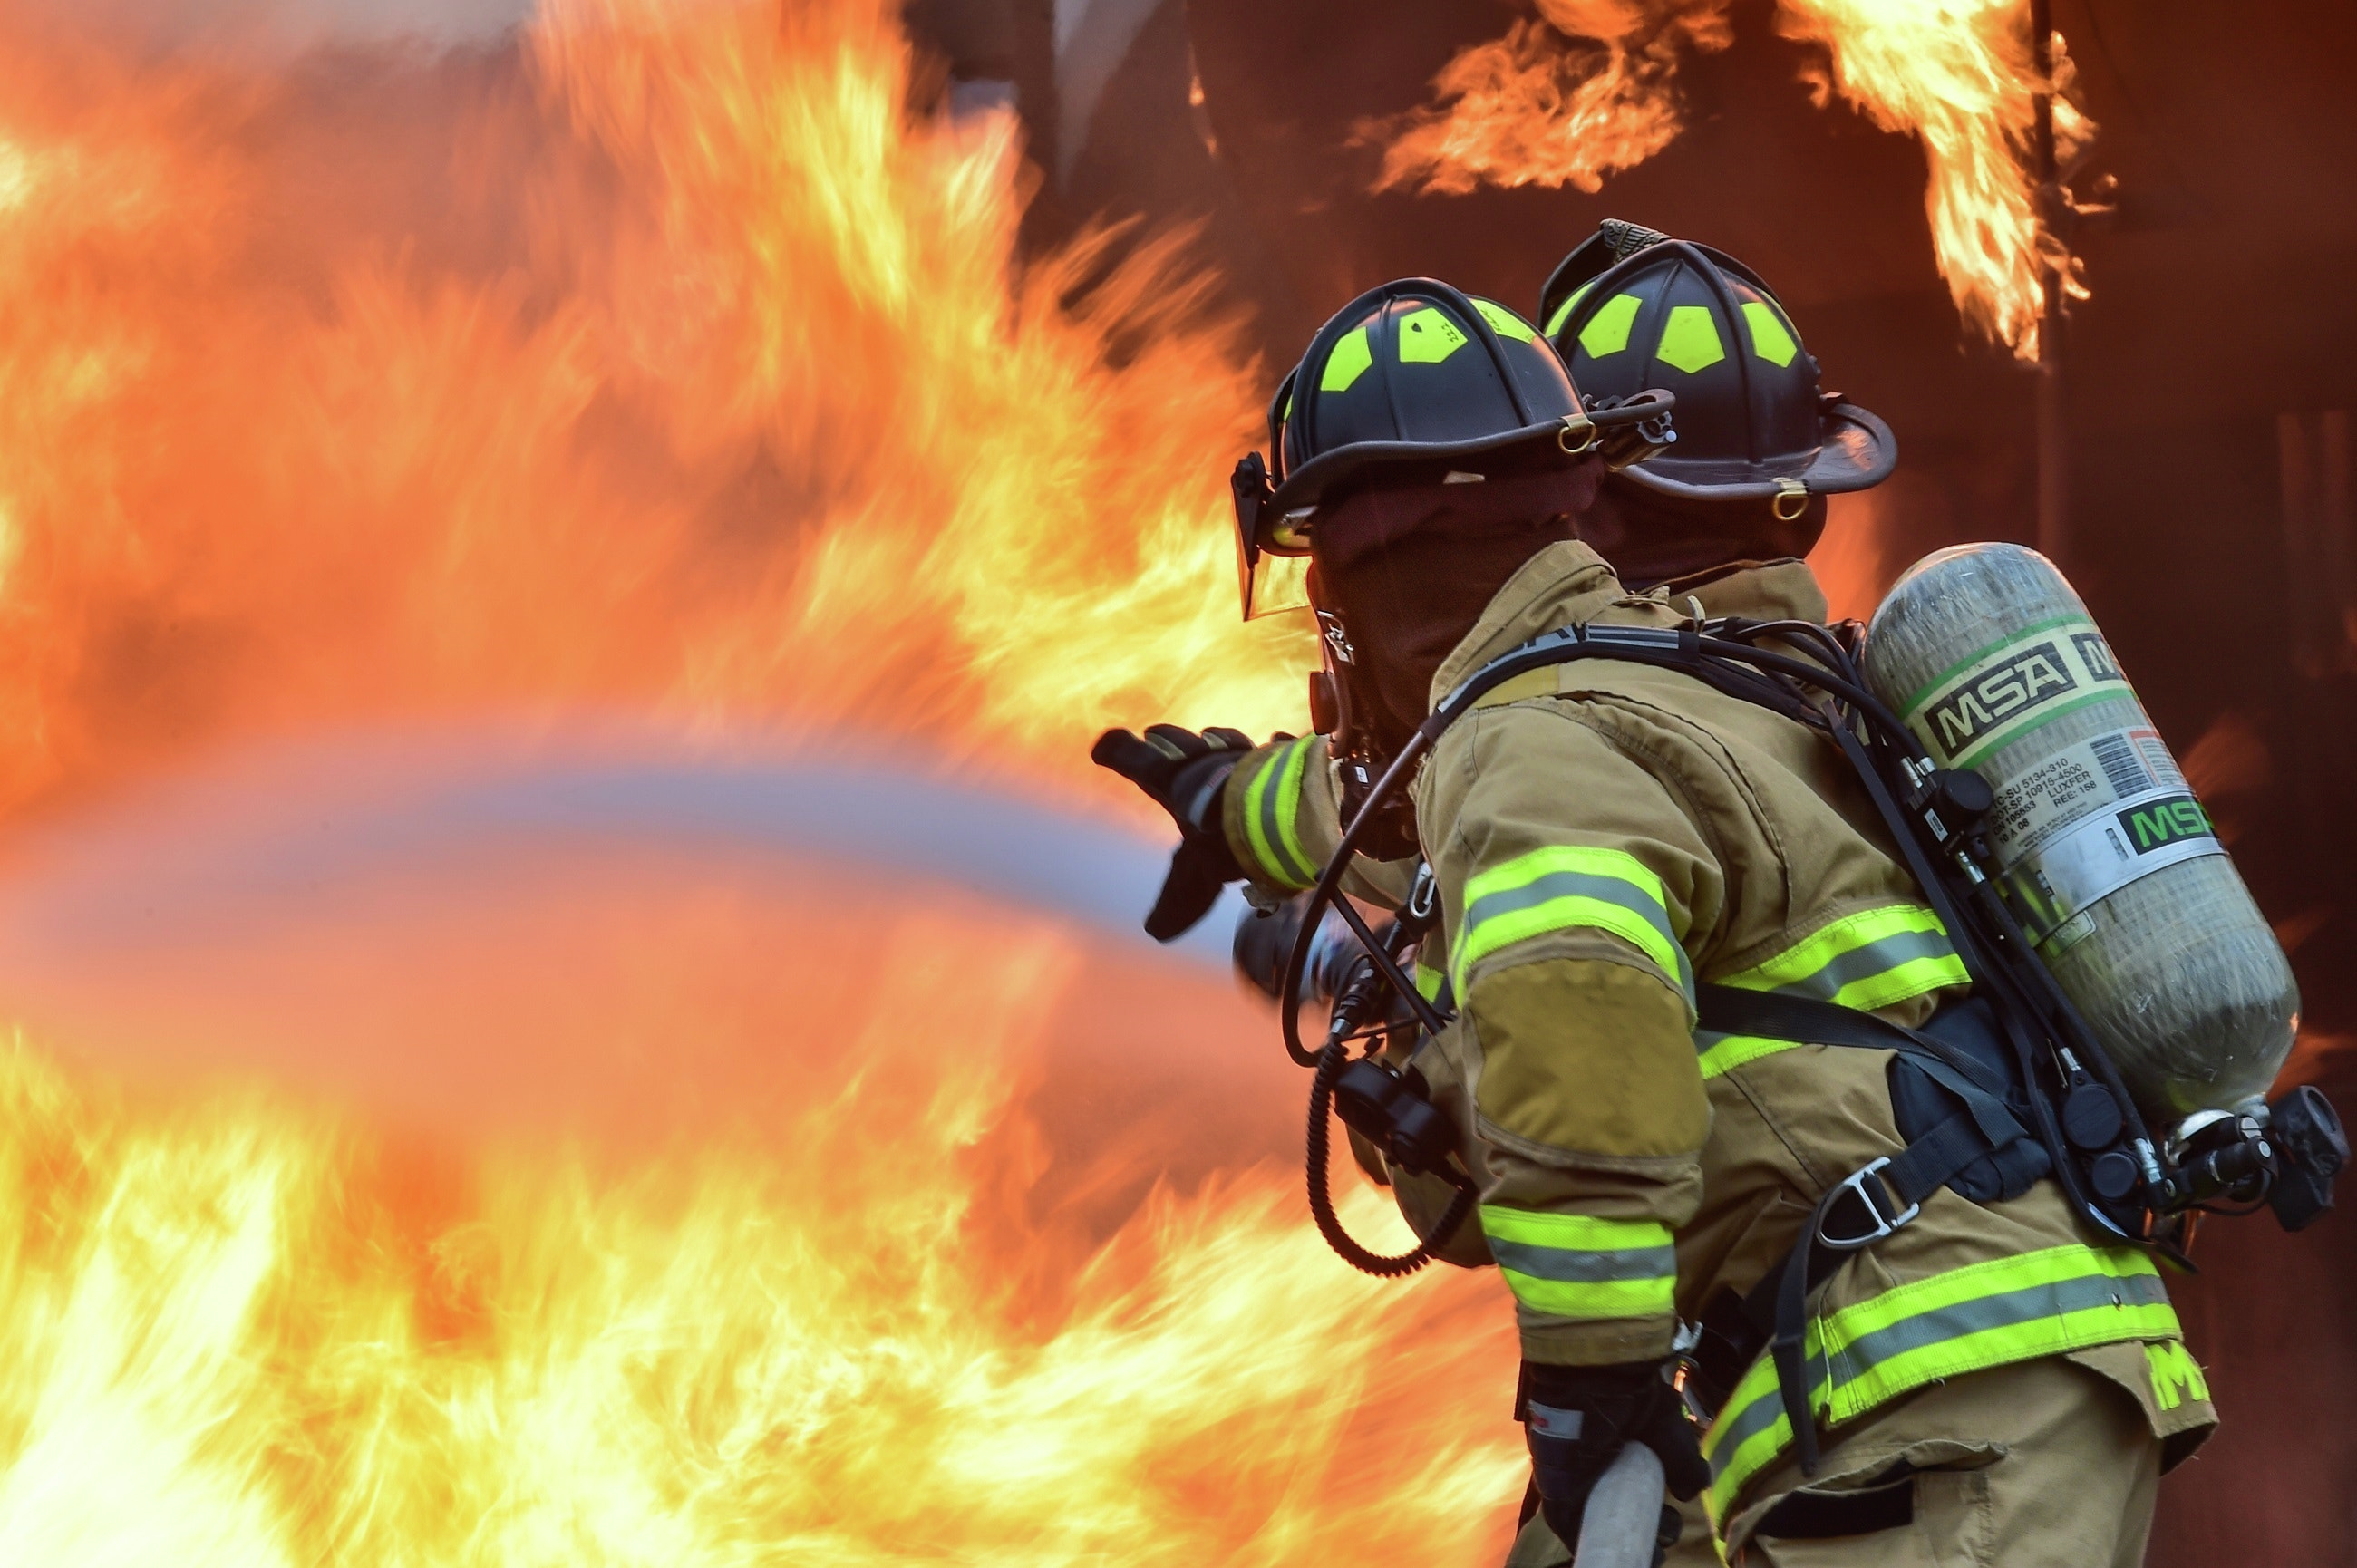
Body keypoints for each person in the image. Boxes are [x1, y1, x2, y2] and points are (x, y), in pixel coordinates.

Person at [1094, 242, 2214, 1566]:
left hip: (1927, 1381)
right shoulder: (1667, 690)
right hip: (1933, 1369)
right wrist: (1238, 811)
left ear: (1357, 584)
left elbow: (1575, 1037)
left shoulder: (1536, 741)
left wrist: (1591, 1379)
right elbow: (1390, 810)